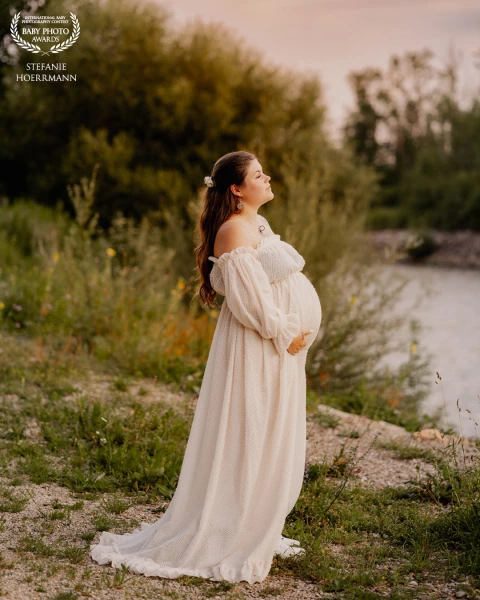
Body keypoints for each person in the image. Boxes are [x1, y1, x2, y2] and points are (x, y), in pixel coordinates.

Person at [89, 150, 322, 584]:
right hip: (259, 346)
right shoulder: (234, 230)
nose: (267, 177)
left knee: (267, 431)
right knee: (248, 432)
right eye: (258, 174)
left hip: (275, 350)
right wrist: (284, 330)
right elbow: (249, 299)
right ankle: (226, 529)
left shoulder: (256, 224)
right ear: (236, 188)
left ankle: (253, 520)